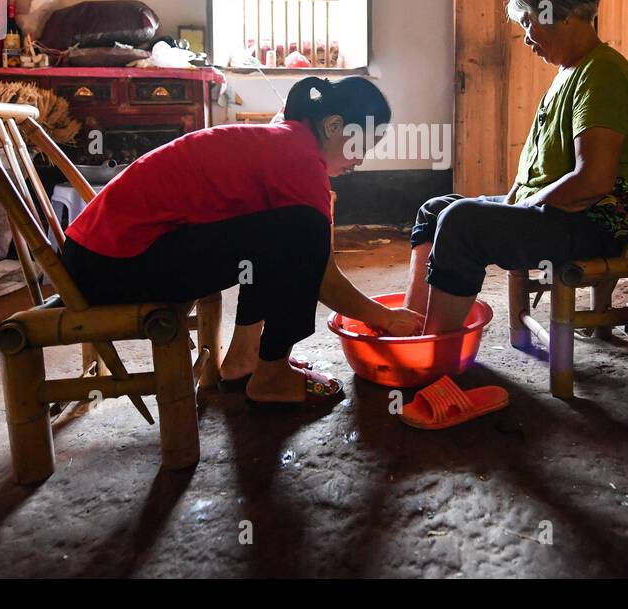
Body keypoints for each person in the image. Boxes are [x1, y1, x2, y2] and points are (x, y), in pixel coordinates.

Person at [63, 75, 422, 407]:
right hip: (114, 266)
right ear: (332, 126)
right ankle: (272, 376)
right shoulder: (298, 157)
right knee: (303, 229)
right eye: (361, 146)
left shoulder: (285, 140)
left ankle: (244, 360)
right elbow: (324, 278)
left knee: (280, 230)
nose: (360, 160)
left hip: (100, 258)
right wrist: (386, 319)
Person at [404, 0, 628, 333]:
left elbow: (594, 181)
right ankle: (410, 324)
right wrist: (516, 200)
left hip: (591, 225)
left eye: (530, 23)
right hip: (560, 214)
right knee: (436, 208)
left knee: (462, 223)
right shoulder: (570, 72)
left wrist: (526, 203)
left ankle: (434, 345)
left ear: (562, 14)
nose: (528, 38)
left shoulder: (602, 73)